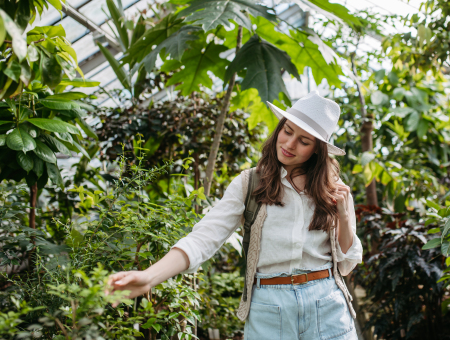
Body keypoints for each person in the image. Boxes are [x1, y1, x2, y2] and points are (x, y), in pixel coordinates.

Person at [107, 91, 363, 339]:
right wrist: (149, 277)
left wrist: (344, 216)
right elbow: (205, 237)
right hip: (270, 307)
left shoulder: (334, 189)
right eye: (287, 131)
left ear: (318, 150)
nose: (289, 144)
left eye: (304, 141)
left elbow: (347, 264)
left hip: (327, 304)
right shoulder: (250, 183)